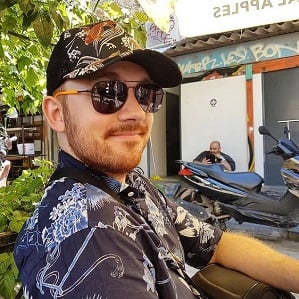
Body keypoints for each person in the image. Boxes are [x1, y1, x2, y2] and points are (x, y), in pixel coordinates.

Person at [14, 20, 299, 299]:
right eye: (107, 93)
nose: (136, 112)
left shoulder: (132, 185)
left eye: (146, 94)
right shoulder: (85, 239)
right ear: (56, 114)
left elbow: (217, 244)